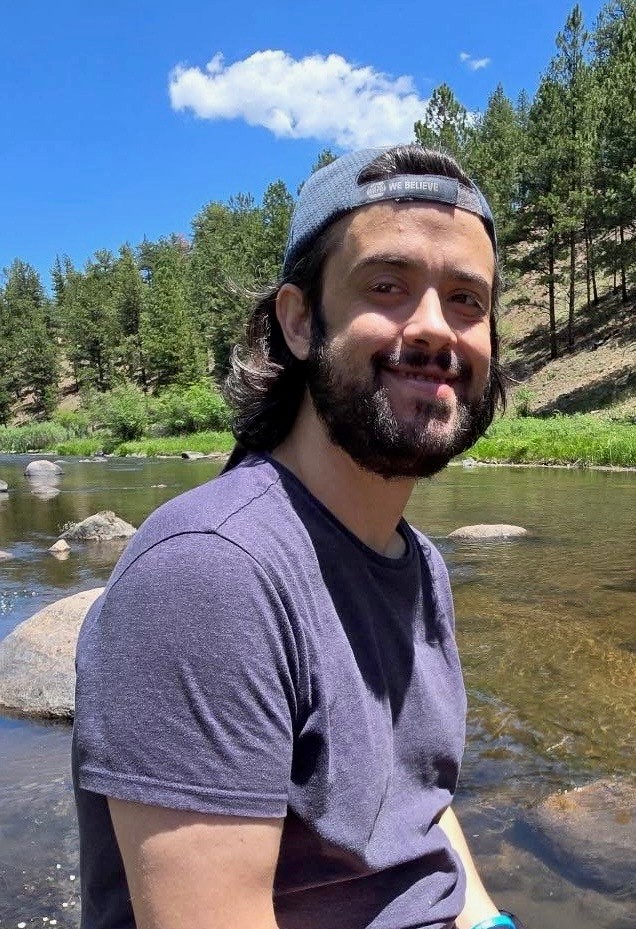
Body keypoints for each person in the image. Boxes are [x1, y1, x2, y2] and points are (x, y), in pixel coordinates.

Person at [72, 144, 524, 929]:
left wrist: (489, 921)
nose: (433, 327)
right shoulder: (211, 573)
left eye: (465, 299)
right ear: (298, 320)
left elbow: (419, 803)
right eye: (386, 285)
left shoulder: (418, 564)